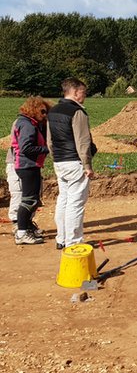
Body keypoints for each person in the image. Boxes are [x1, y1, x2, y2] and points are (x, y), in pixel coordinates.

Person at [47, 77, 97, 250]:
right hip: (75, 163)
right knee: (75, 204)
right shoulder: (78, 112)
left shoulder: (52, 111)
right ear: (75, 92)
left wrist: (56, 158)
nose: (85, 95)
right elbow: (83, 142)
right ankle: (74, 242)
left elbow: (49, 141)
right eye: (83, 92)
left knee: (63, 200)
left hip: (60, 162)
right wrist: (87, 166)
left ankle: (61, 238)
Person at [10, 97, 51, 245]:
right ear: (34, 110)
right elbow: (26, 148)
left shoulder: (28, 123)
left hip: (29, 165)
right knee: (28, 200)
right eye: (43, 111)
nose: (45, 115)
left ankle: (26, 228)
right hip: (27, 166)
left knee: (32, 199)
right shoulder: (27, 125)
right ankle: (21, 233)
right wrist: (47, 149)